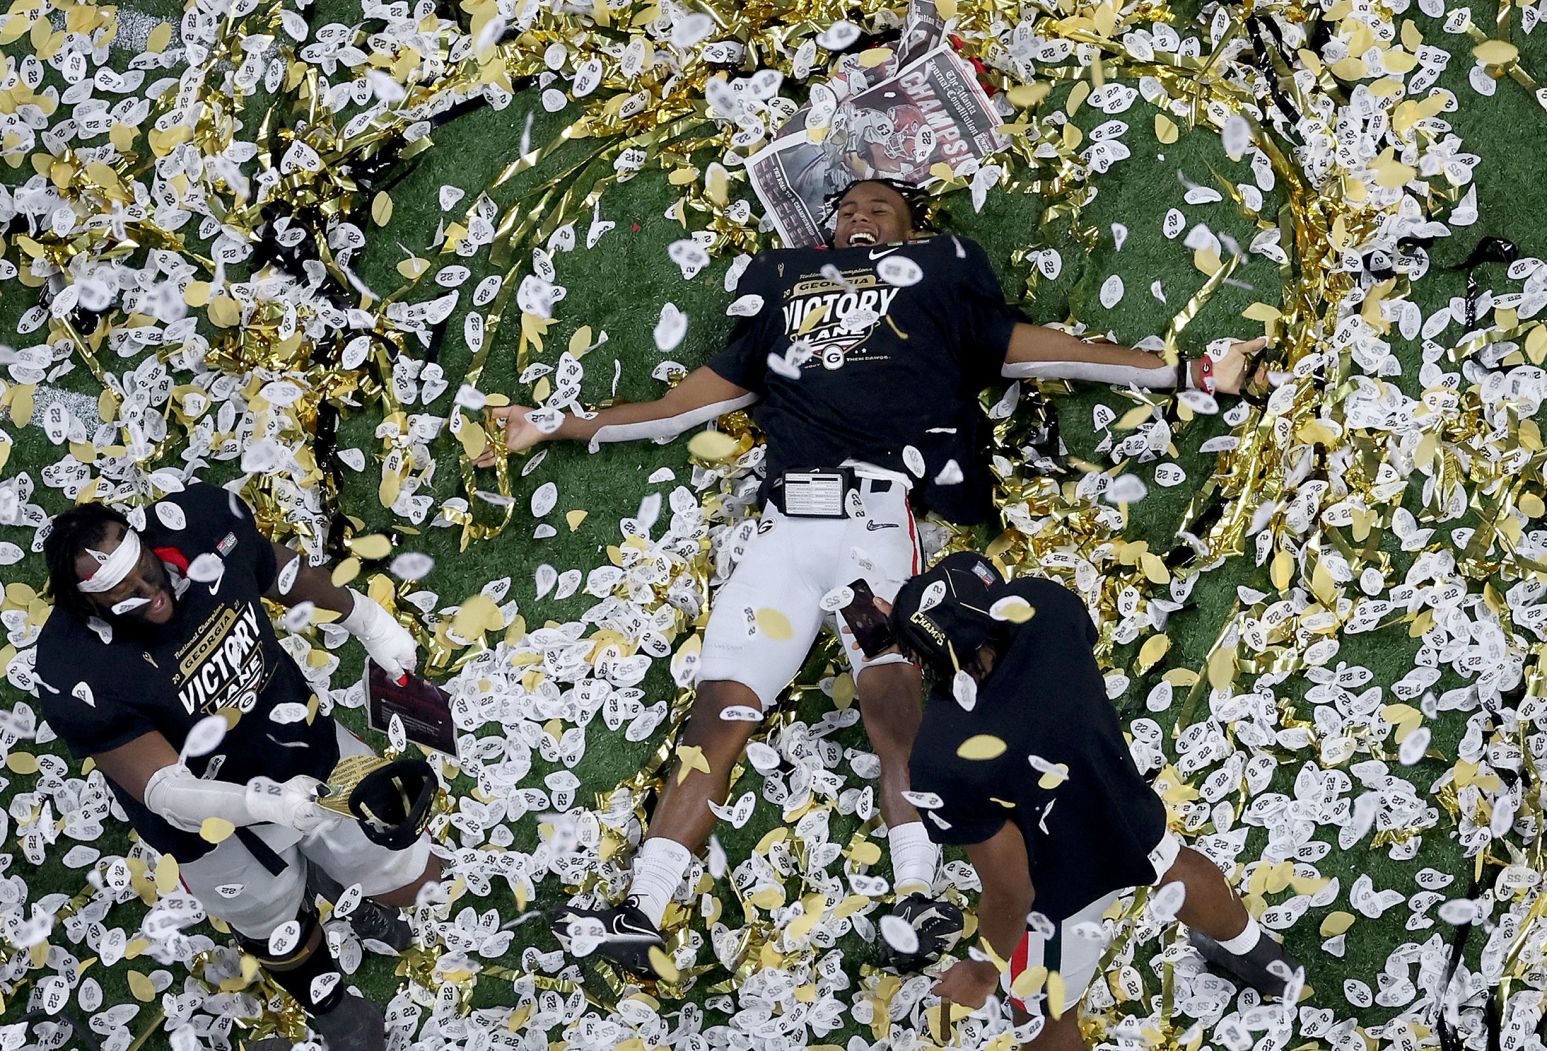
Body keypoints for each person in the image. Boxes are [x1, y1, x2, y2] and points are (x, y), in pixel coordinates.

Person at [474, 178, 1266, 978]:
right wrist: (551, 425)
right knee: (722, 705)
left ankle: (915, 893)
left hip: (875, 526)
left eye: (880, 206)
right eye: (847, 208)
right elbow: (681, 408)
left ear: (913, 227)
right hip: (784, 530)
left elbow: (1038, 348)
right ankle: (642, 908)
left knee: (892, 698)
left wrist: (1186, 373)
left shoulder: (936, 279)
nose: (859, 215)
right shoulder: (783, 286)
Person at [33, 481, 442, 1051]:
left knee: (410, 873)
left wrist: (365, 618)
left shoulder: (201, 522)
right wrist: (265, 805)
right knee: (275, 923)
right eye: (119, 594)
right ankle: (332, 1006)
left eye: (144, 569)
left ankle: (340, 880)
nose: (150, 593)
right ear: (87, 607)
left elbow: (275, 570)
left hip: (301, 744)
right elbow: (165, 790)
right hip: (217, 821)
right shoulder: (75, 665)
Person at [884, 552, 1302, 1050]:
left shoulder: (943, 754)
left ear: (925, 661)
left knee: (1040, 1017)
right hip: (1120, 806)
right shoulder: (1048, 607)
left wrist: (981, 970)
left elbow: (1011, 893)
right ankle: (1263, 961)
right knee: (1173, 865)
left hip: (1058, 890)